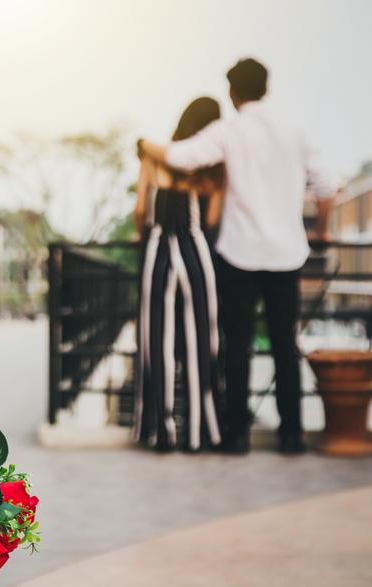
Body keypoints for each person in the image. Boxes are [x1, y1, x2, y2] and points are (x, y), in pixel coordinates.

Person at [140, 58, 338, 455]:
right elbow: (328, 185)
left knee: (238, 343)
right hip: (286, 253)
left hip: (240, 253)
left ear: (232, 93)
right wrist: (321, 231)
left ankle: (235, 435)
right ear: (266, 88)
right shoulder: (294, 132)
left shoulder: (229, 130)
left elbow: (181, 157)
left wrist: (144, 146)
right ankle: (291, 434)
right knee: (285, 343)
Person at [134, 97, 225, 452]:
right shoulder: (216, 167)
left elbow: (141, 209)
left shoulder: (154, 157)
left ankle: (160, 431)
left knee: (156, 338)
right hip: (195, 249)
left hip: (157, 247)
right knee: (203, 338)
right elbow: (213, 218)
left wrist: (143, 232)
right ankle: (200, 431)